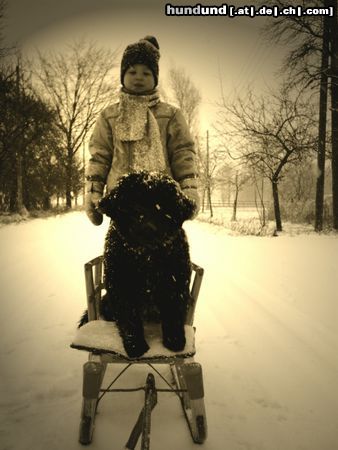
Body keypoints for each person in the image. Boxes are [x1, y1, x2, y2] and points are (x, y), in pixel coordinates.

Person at [85, 35, 200, 226]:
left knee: (164, 252)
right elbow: (100, 156)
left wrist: (189, 188)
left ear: (155, 78)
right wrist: (93, 192)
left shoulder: (171, 115)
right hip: (122, 204)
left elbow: (183, 154)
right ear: (123, 75)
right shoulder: (109, 116)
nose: (139, 77)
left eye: (146, 73)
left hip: (162, 204)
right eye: (132, 71)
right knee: (122, 252)